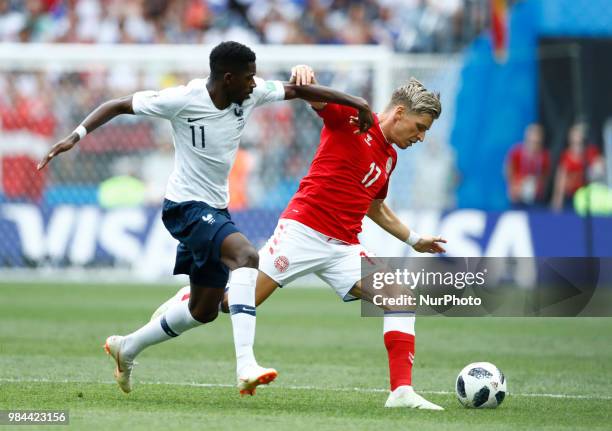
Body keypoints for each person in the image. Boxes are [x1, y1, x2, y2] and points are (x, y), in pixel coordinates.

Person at [37, 41, 375, 395]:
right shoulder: (183, 99)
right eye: (248, 77)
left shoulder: (251, 94)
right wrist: (74, 137)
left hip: (215, 208)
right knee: (245, 256)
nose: (254, 82)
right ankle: (246, 365)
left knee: (204, 310)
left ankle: (127, 346)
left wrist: (358, 103)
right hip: (184, 207)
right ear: (228, 78)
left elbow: (297, 91)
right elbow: (118, 104)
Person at [154, 74, 447, 409]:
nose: (422, 136)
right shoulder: (352, 120)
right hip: (302, 233)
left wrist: (414, 239)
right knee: (227, 303)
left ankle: (401, 392)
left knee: (399, 297)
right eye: (420, 126)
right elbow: (313, 96)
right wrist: (304, 73)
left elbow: (374, 207)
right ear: (398, 113)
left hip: (343, 249)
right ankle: (191, 296)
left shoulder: (389, 158)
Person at [551, 123, 603, 211]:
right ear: (570, 138)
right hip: (570, 198)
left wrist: (595, 169)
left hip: (588, 197)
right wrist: (557, 200)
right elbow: (560, 180)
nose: (577, 137)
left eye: (579, 134)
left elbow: (600, 167)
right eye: (574, 135)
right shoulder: (565, 156)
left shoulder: (591, 152)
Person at [505, 123, 550, 207]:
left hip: (535, 198)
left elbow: (545, 176)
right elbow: (508, 169)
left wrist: (537, 186)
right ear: (527, 138)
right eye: (532, 141)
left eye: (537, 142)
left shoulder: (544, 156)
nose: (534, 144)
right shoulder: (516, 152)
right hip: (517, 195)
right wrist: (512, 186)